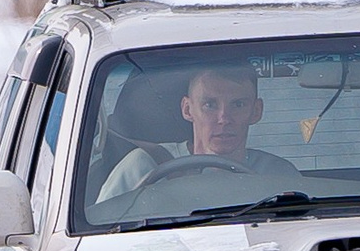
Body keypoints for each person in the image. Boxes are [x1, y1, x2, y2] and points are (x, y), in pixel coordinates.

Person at [98, 58, 298, 202]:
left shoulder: (278, 175)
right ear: (187, 109)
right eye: (210, 105)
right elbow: (100, 239)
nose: (224, 119)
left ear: (256, 111)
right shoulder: (143, 167)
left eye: (238, 105)